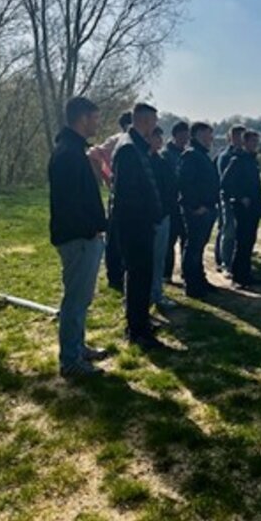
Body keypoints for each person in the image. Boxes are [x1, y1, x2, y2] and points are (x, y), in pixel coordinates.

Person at [48, 96, 108, 377]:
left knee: (81, 298)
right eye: (95, 118)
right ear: (83, 118)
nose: (97, 122)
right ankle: (70, 360)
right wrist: (90, 230)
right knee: (74, 300)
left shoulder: (74, 150)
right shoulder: (67, 154)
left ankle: (78, 346)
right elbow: (68, 204)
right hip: (78, 239)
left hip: (84, 237)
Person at [112, 103, 164, 348]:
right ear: (143, 121)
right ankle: (136, 330)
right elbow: (128, 195)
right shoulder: (128, 149)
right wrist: (146, 218)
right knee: (137, 276)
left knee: (143, 276)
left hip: (143, 224)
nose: (155, 126)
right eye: (153, 121)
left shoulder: (138, 147)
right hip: (134, 226)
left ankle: (142, 320)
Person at [88, 110, 132, 293]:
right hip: (119, 195)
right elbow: (93, 154)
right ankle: (115, 275)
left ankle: (123, 272)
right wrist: (105, 178)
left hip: (131, 196)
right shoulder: (118, 140)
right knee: (115, 237)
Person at [179, 121, 220, 298]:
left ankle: (199, 279)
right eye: (207, 134)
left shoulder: (201, 154)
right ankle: (192, 284)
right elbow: (185, 183)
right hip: (198, 211)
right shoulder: (191, 155)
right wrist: (196, 206)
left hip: (208, 208)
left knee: (199, 247)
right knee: (193, 247)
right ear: (197, 135)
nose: (211, 138)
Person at [221, 129, 261, 288]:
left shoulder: (252, 160)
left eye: (256, 142)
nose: (255, 145)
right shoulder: (237, 160)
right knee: (242, 241)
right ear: (244, 143)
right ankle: (238, 275)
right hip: (242, 207)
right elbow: (225, 184)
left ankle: (245, 273)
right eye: (252, 142)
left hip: (253, 206)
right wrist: (240, 197)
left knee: (249, 241)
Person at [150, 126, 178, 313]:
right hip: (153, 217)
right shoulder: (145, 161)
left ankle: (156, 292)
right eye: (155, 137)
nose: (159, 141)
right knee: (150, 260)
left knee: (159, 258)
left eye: (160, 137)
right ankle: (152, 295)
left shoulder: (161, 159)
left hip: (165, 214)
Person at [215, 124, 246, 276]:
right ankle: (224, 262)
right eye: (238, 136)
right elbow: (225, 181)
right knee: (228, 230)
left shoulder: (244, 155)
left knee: (236, 231)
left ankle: (234, 260)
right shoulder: (226, 156)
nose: (241, 140)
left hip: (242, 201)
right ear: (231, 138)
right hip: (228, 199)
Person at [161, 120, 190, 283]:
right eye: (182, 135)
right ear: (175, 135)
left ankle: (186, 272)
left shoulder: (186, 153)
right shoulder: (166, 154)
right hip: (172, 204)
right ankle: (166, 273)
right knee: (169, 241)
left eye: (187, 136)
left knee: (186, 239)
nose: (185, 139)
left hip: (184, 204)